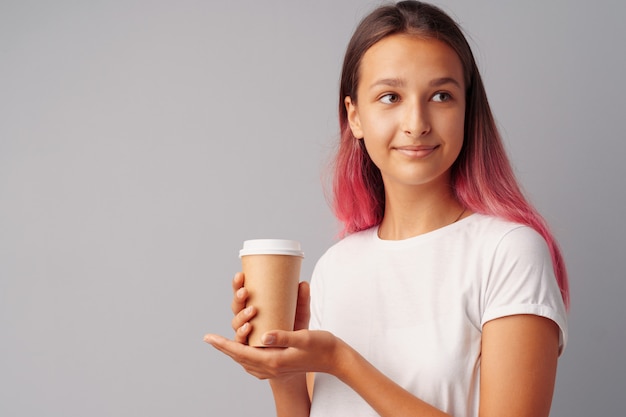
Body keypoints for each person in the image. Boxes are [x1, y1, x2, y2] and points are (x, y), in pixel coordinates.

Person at [204, 1, 570, 416]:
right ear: (354, 117)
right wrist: (285, 371)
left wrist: (341, 361)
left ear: (468, 110)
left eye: (441, 95)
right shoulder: (335, 266)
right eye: (390, 96)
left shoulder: (508, 252)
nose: (417, 122)